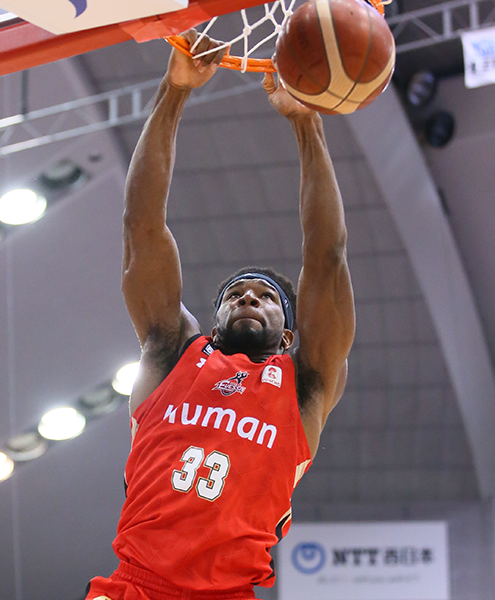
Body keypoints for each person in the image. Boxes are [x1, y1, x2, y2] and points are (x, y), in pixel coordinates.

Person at [85, 30, 355, 600]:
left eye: (265, 297)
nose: (248, 300)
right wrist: (174, 90)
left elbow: (326, 256)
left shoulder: (307, 383)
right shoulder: (172, 352)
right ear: (212, 322)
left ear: (289, 334)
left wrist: (306, 123)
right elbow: (142, 228)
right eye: (235, 295)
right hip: (134, 586)